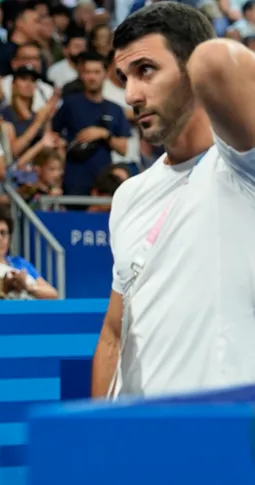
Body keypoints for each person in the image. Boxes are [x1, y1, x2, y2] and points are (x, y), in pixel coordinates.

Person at [92, 3, 255, 399]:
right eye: (124, 76)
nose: (131, 94)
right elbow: (115, 332)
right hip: (145, 435)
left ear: (192, 73)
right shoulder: (129, 195)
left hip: (228, 431)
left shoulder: (240, 163)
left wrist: (198, 51)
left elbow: (217, 59)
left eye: (146, 70)